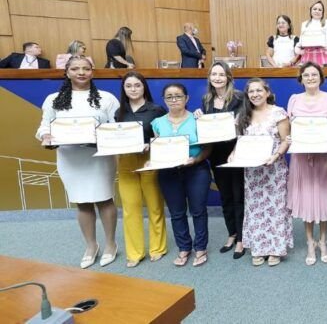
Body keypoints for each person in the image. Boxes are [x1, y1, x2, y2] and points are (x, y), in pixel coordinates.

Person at [36, 56, 119, 268]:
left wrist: (105, 136)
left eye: (85, 68)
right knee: (82, 202)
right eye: (75, 69)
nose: (81, 72)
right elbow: (44, 126)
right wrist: (46, 137)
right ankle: (91, 246)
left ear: (92, 71)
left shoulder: (106, 98)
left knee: (104, 199)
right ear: (67, 72)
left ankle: (110, 244)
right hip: (70, 158)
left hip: (99, 157)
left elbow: (117, 125)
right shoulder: (53, 99)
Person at [151, 83, 212, 267]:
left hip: (196, 169)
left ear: (187, 98)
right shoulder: (158, 123)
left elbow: (208, 148)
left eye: (178, 96)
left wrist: (195, 160)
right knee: (177, 213)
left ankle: (200, 247)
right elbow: (158, 149)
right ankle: (184, 247)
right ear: (164, 100)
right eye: (169, 97)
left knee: (198, 210)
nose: (174, 100)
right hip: (168, 172)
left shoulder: (197, 119)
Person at [287, 62, 327, 265]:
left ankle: (323, 240)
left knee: (323, 197)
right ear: (301, 78)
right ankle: (310, 242)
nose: (310, 77)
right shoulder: (294, 99)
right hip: (302, 159)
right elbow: (290, 129)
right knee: (307, 198)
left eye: (314, 74)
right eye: (306, 74)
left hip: (323, 158)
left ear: (321, 77)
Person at [234, 78, 293, 267]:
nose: (255, 95)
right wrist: (233, 155)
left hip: (274, 169)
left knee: (275, 209)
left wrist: (276, 156)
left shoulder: (278, 113)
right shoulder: (243, 115)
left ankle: (276, 248)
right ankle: (258, 248)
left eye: (259, 90)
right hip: (252, 172)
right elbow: (239, 141)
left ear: (267, 92)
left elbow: (286, 140)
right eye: (251, 91)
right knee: (255, 209)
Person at [115, 72, 168, 268]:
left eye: (137, 85)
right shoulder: (119, 111)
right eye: (129, 86)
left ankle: (158, 248)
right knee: (130, 209)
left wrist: (150, 144)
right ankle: (135, 253)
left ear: (144, 87)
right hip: (126, 162)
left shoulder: (156, 110)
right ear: (124, 89)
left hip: (150, 161)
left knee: (154, 206)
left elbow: (165, 136)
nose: (133, 89)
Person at [194, 62, 246, 259]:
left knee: (238, 195)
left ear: (228, 77)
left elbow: (246, 122)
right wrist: (199, 116)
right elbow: (206, 130)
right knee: (225, 195)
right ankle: (231, 233)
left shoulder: (240, 97)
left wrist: (239, 122)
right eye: (213, 74)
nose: (217, 78)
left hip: (236, 151)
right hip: (216, 154)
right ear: (209, 77)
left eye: (221, 74)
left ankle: (242, 238)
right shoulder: (206, 100)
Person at [295, 1, 327, 65]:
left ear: (322, 12)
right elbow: (301, 42)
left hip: (324, 56)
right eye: (315, 9)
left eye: (320, 10)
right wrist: (298, 49)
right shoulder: (304, 24)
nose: (317, 11)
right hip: (308, 57)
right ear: (310, 11)